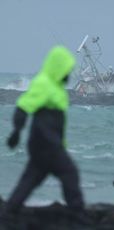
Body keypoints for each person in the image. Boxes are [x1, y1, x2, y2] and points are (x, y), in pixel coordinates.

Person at [4, 46, 84, 214]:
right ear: (58, 67)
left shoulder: (57, 88)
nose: (68, 74)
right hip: (46, 143)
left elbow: (57, 122)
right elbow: (23, 106)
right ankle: (78, 216)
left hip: (47, 143)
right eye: (66, 69)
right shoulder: (44, 83)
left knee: (30, 179)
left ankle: (8, 213)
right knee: (70, 174)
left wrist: (62, 143)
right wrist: (16, 132)